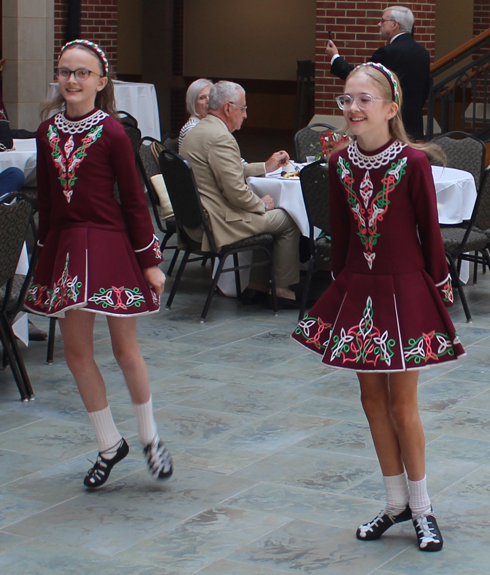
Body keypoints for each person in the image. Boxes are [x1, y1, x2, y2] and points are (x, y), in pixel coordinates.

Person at [292, 62, 465, 552]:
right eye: (346, 99)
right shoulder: (337, 164)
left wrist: (438, 295)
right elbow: (343, 241)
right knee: (371, 403)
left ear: (391, 109)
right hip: (360, 292)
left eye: (364, 99)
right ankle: (395, 503)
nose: (352, 108)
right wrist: (340, 296)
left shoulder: (413, 163)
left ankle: (423, 507)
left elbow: (431, 237)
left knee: (402, 405)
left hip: (405, 291)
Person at [24, 39, 173, 489]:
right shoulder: (46, 132)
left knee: (125, 349)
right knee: (76, 352)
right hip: (66, 250)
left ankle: (149, 436)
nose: (73, 79)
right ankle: (109, 443)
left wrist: (149, 261)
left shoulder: (111, 132)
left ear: (101, 82)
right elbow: (47, 201)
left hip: (109, 248)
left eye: (83, 72)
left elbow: (133, 199)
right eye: (66, 71)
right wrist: (46, 250)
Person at [181, 80, 301, 307]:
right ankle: (281, 290)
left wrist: (265, 167)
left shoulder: (197, 132)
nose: (245, 115)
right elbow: (236, 193)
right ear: (228, 108)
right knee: (288, 219)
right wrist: (262, 205)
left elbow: (223, 171)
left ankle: (256, 286)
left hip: (197, 220)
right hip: (219, 222)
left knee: (273, 216)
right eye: (243, 108)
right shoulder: (221, 138)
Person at [327, 6, 430, 141]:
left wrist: (335, 57)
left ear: (394, 24)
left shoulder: (386, 53)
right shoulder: (423, 52)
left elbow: (360, 79)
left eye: (382, 20)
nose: (379, 24)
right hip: (414, 126)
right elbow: (426, 89)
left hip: (389, 127)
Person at [178, 78, 213, 150]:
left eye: (210, 96)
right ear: (193, 103)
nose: (208, 101)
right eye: (202, 98)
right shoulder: (192, 129)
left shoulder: (207, 124)